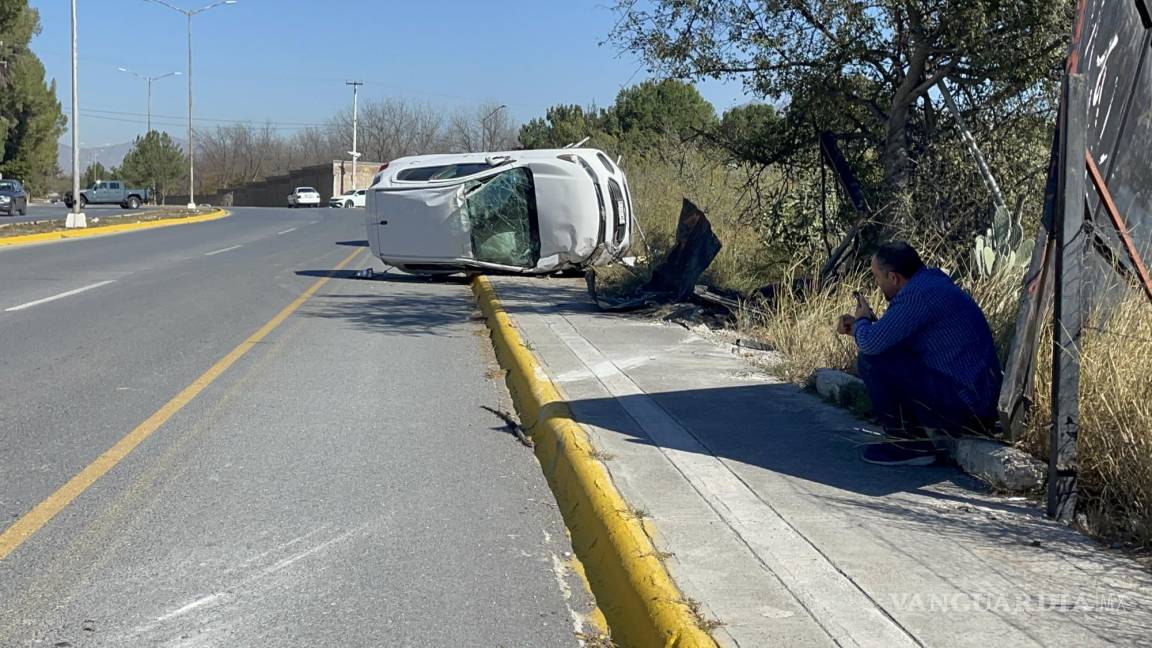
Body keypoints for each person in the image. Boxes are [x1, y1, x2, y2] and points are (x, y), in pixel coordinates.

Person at [836, 242, 1002, 466]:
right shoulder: (931, 283)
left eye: (877, 278)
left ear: (894, 277)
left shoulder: (917, 296)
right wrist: (865, 326)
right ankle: (912, 436)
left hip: (964, 406)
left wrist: (862, 322)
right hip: (976, 400)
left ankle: (908, 444)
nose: (878, 285)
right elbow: (896, 341)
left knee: (872, 360)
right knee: (883, 355)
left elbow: (871, 344)